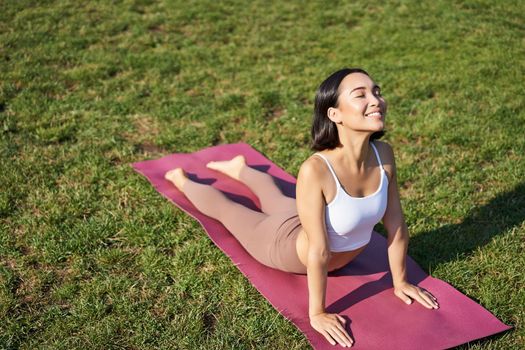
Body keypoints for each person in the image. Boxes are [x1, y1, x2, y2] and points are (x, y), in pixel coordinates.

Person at [164, 68, 439, 347]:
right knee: (229, 211)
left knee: (277, 201)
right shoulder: (316, 169)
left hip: (307, 227)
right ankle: (182, 180)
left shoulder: (384, 154)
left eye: (377, 92)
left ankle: (241, 169)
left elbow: (396, 224)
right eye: (361, 95)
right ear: (335, 114)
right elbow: (318, 251)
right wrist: (317, 312)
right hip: (282, 246)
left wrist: (401, 281)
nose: (376, 100)